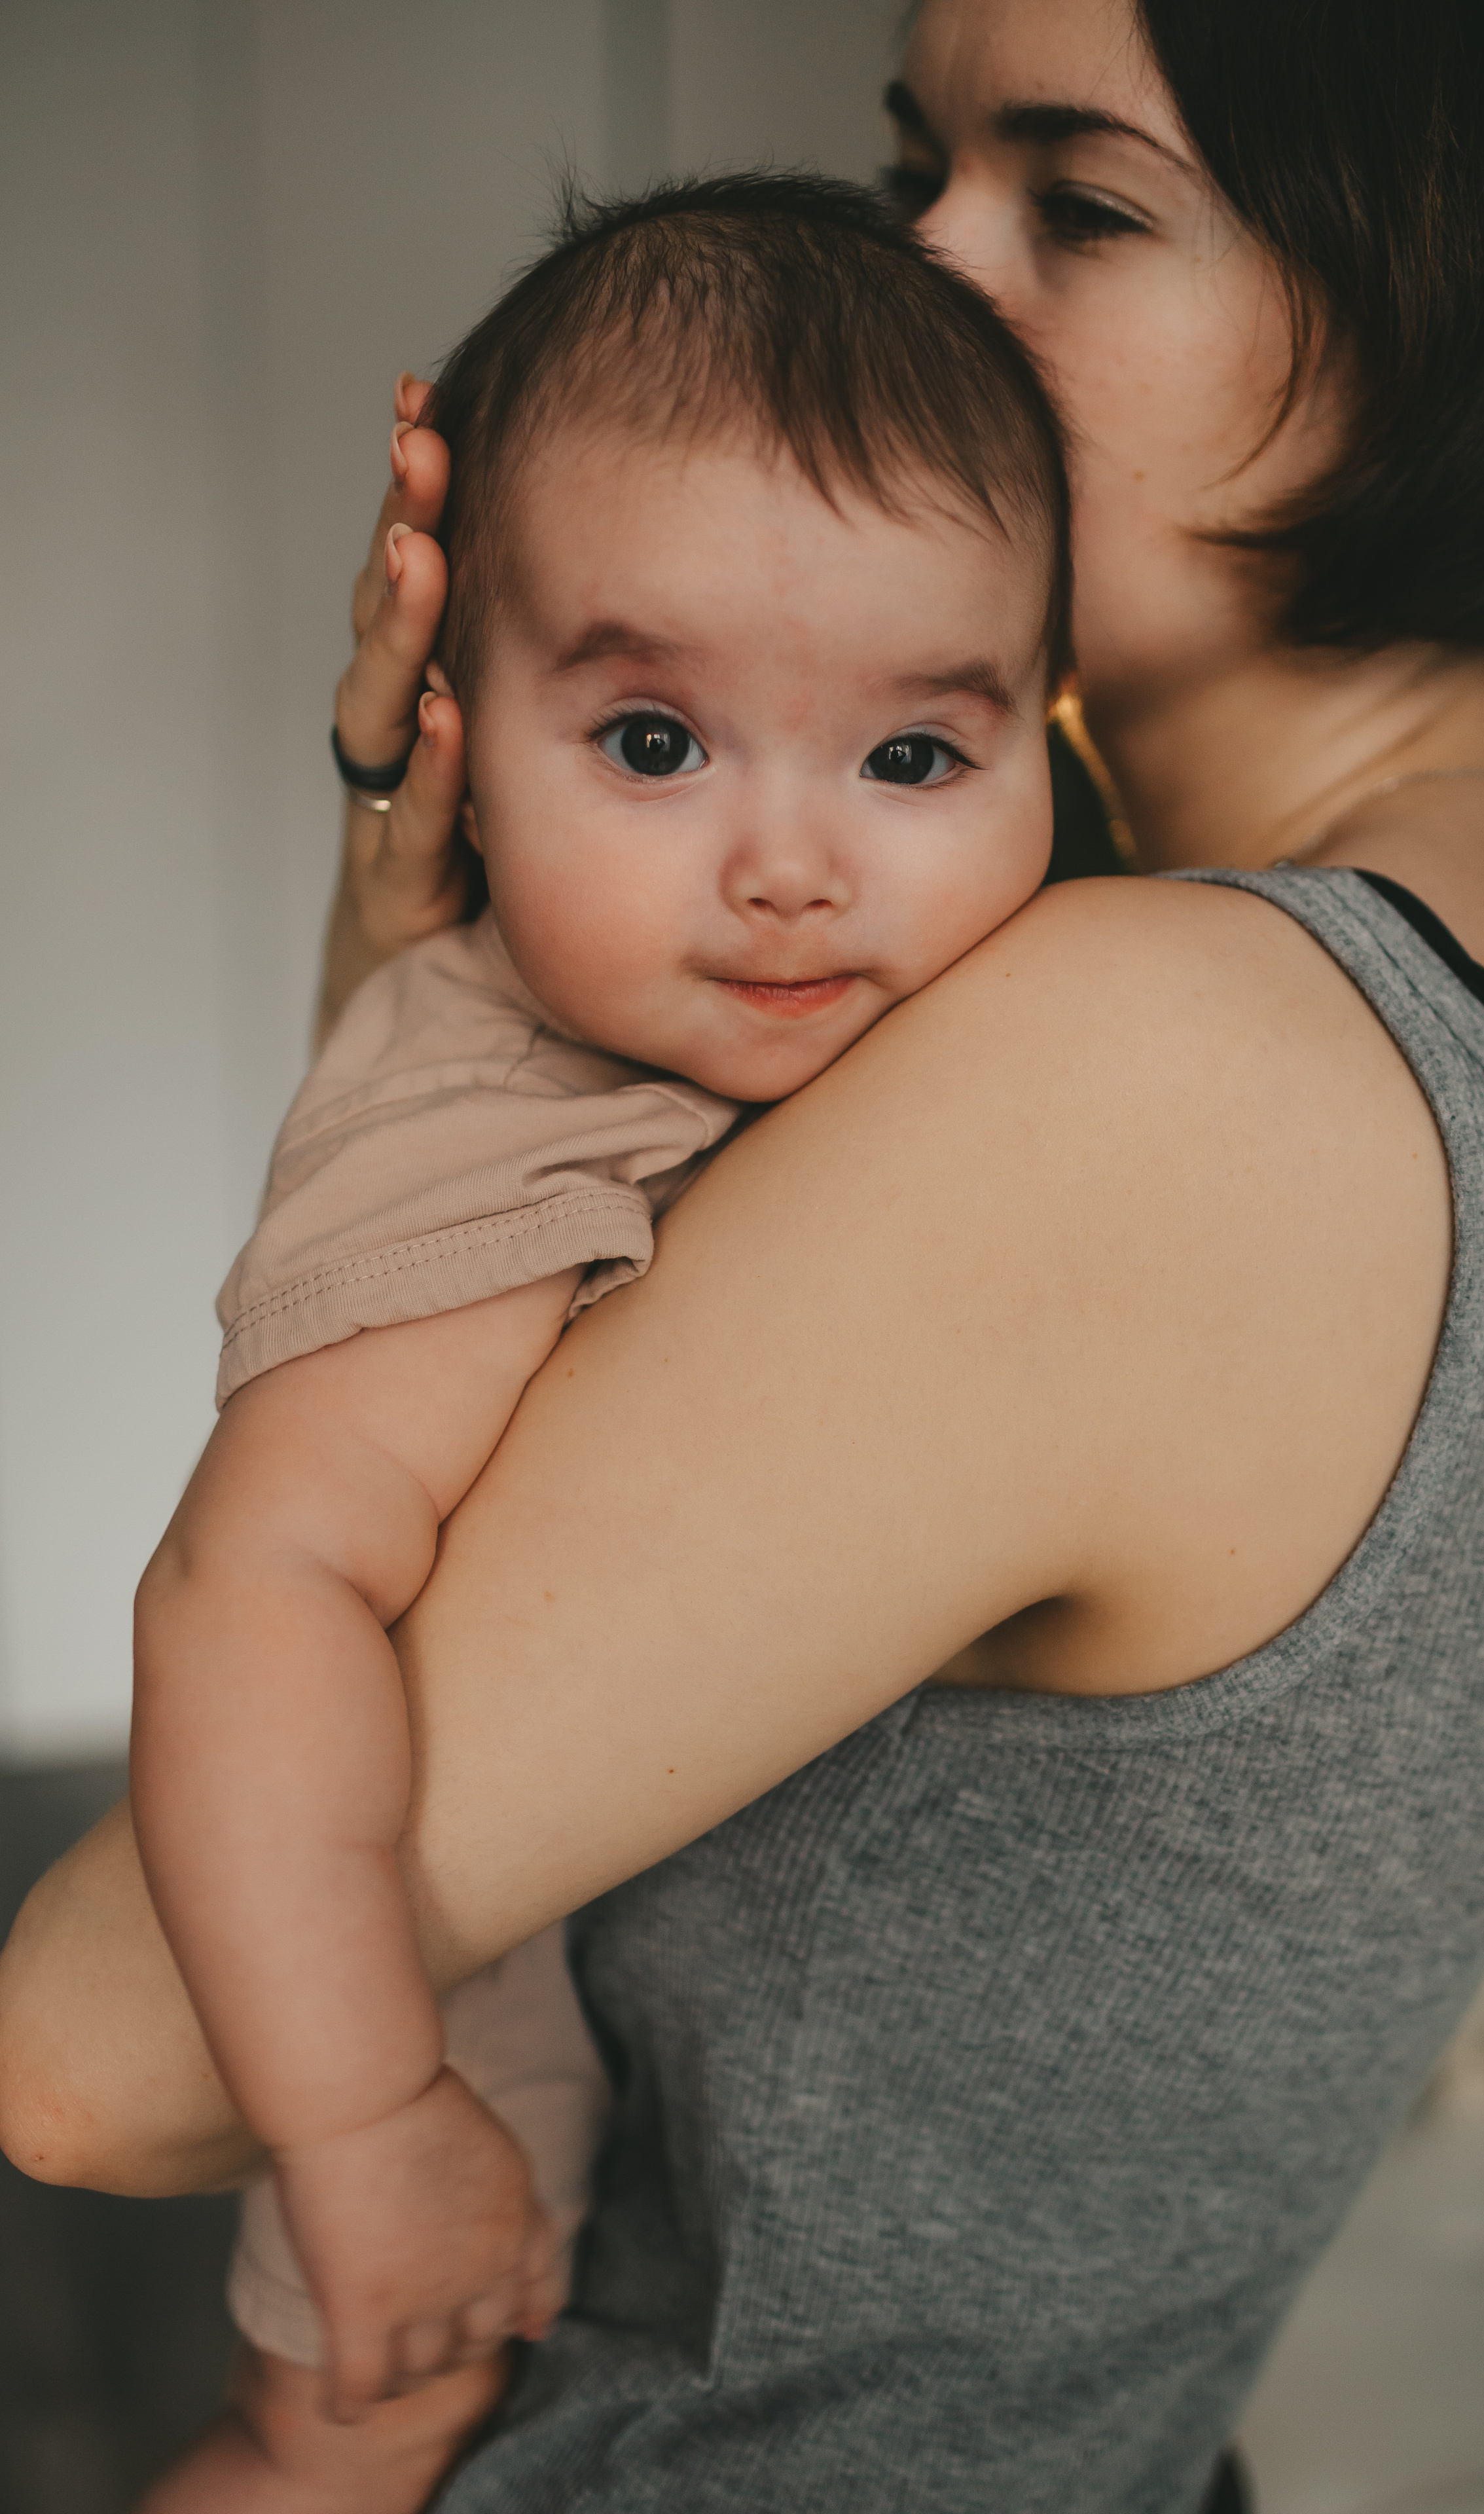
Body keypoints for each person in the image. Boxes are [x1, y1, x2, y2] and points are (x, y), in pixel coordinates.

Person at [1, 2, 1484, 2509]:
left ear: (1457, 298)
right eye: (924, 174)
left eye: (1080, 205)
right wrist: (437, 944)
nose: (931, 281)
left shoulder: (1166, 1067)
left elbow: (101, 2052)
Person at [126, 175, 1072, 2513]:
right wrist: (362, 2117)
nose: (788, 864)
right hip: (448, 2007)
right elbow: (250, 1590)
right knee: (353, 2436)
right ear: (459, 735)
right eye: (655, 746)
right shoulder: (492, 1133)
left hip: (703, 1988)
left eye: (915, 761)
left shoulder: (893, 1015)